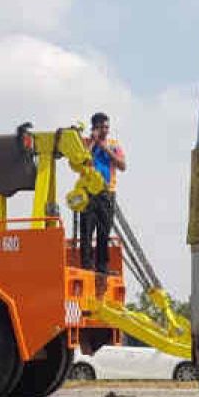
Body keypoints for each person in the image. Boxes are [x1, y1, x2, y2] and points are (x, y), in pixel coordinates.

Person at [79, 111, 126, 276]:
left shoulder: (113, 144)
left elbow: (122, 165)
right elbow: (80, 160)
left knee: (104, 231)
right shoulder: (85, 142)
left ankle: (102, 267)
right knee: (86, 230)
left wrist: (104, 147)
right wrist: (93, 142)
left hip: (107, 192)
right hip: (88, 191)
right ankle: (86, 264)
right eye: (102, 127)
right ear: (95, 127)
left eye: (107, 127)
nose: (106, 130)